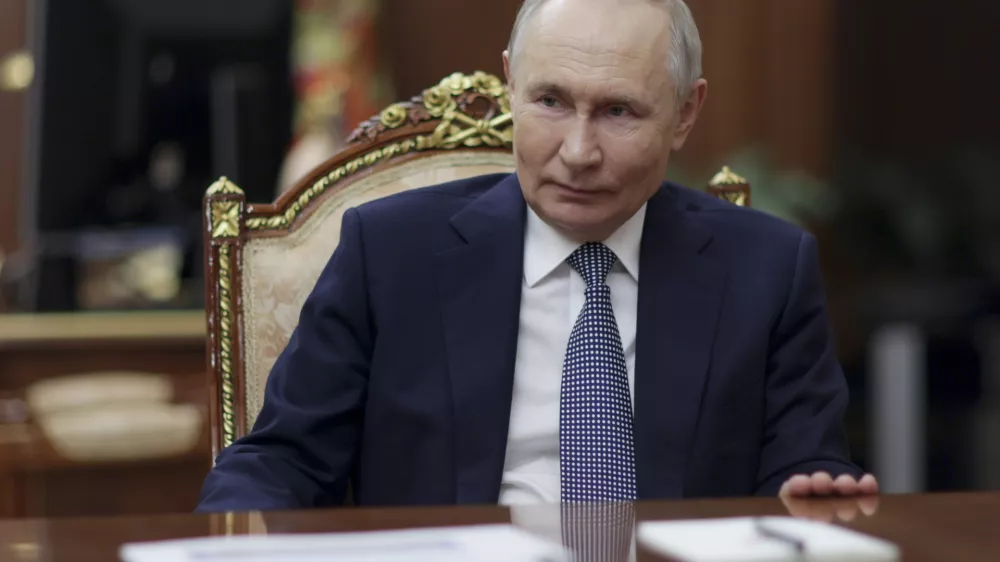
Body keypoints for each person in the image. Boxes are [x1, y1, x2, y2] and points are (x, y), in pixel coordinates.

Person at [196, 0, 878, 512]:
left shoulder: (768, 270)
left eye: (619, 112)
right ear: (510, 85)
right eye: (551, 101)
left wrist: (815, 505)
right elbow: (279, 463)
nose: (578, 153)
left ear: (684, 114)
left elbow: (803, 472)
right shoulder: (392, 252)